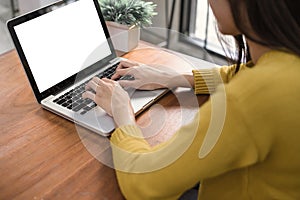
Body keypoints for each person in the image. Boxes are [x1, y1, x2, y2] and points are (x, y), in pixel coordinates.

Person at [82, 0, 300, 199]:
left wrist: (123, 115)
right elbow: (241, 72)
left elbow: (144, 185)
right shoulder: (287, 62)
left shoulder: (251, 97)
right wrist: (176, 78)